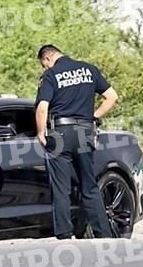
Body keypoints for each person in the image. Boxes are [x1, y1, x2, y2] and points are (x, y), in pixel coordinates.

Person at [35, 45, 119, 239]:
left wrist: (41, 133)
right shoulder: (89, 69)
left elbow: (42, 107)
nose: (45, 69)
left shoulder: (51, 75)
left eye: (43, 65)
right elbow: (112, 97)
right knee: (89, 185)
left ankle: (64, 234)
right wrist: (94, 117)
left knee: (61, 187)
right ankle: (103, 233)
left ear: (47, 59)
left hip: (61, 133)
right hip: (85, 132)